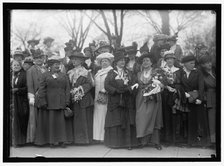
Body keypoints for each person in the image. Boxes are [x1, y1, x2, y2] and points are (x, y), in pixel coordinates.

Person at [104, 51, 139, 149]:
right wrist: (116, 91)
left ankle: (128, 143)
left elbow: (134, 83)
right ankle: (115, 143)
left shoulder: (129, 72)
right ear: (116, 62)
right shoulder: (111, 73)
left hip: (127, 100)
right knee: (116, 121)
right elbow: (106, 85)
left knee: (127, 120)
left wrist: (129, 88)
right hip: (115, 100)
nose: (122, 62)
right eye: (120, 60)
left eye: (123, 60)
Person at [34, 56, 72, 147]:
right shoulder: (45, 75)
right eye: (55, 64)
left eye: (58, 64)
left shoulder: (64, 75)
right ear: (50, 66)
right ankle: (52, 141)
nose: (57, 66)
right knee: (52, 122)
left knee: (61, 123)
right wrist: (43, 101)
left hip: (61, 101)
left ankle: (62, 141)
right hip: (49, 102)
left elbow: (67, 89)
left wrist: (67, 101)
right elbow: (41, 89)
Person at [174, 53, 210, 147]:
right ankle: (191, 142)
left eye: (194, 63)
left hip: (197, 100)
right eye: (191, 63)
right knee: (189, 121)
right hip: (186, 100)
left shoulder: (198, 73)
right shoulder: (179, 73)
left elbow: (201, 86)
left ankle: (203, 142)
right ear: (184, 64)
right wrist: (184, 94)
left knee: (201, 120)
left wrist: (200, 99)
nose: (193, 65)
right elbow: (178, 85)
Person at [135, 52, 163, 150]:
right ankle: (143, 141)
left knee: (154, 118)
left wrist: (157, 85)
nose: (145, 62)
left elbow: (162, 85)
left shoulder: (157, 72)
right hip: (141, 97)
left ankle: (156, 142)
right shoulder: (139, 73)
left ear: (151, 62)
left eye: (147, 60)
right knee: (141, 116)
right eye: (143, 61)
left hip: (153, 97)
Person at [67, 51, 94, 144]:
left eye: (76, 59)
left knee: (84, 118)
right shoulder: (69, 72)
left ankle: (85, 139)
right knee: (76, 118)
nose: (73, 61)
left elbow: (90, 84)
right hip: (73, 98)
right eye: (72, 59)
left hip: (84, 98)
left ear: (81, 61)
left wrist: (80, 90)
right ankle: (76, 139)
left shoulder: (86, 72)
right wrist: (71, 92)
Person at [26, 49, 47, 143]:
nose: (39, 60)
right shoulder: (30, 70)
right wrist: (31, 97)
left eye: (40, 58)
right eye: (37, 58)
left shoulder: (46, 69)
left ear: (43, 59)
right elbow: (29, 85)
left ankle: (44, 138)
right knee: (34, 118)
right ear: (34, 59)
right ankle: (34, 139)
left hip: (46, 96)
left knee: (44, 117)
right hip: (35, 96)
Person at [93, 52, 114, 142]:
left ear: (110, 62)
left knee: (104, 115)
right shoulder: (98, 72)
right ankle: (97, 136)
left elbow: (113, 83)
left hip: (106, 96)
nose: (104, 63)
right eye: (102, 61)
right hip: (97, 96)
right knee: (97, 115)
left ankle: (104, 137)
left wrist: (106, 90)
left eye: (106, 61)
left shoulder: (112, 71)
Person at [160, 51, 180, 145]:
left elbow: (180, 82)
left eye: (171, 59)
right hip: (165, 95)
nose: (170, 61)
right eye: (168, 59)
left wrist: (176, 88)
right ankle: (167, 139)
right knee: (166, 116)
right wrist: (166, 86)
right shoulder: (162, 70)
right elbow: (160, 82)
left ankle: (175, 139)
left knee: (175, 116)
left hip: (175, 94)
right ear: (165, 60)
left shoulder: (178, 70)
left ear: (174, 60)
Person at [198, 54, 216, 148]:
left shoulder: (216, 70)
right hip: (210, 99)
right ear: (202, 65)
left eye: (209, 61)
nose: (209, 64)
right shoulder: (202, 75)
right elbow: (201, 89)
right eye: (206, 63)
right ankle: (213, 142)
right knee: (212, 121)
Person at [11, 60, 29, 147]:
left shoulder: (24, 74)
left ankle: (20, 141)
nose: (16, 66)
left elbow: (27, 88)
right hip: (11, 100)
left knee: (20, 119)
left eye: (18, 65)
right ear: (11, 66)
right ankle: (11, 141)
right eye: (14, 65)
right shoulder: (10, 74)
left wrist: (18, 90)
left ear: (21, 66)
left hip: (21, 100)